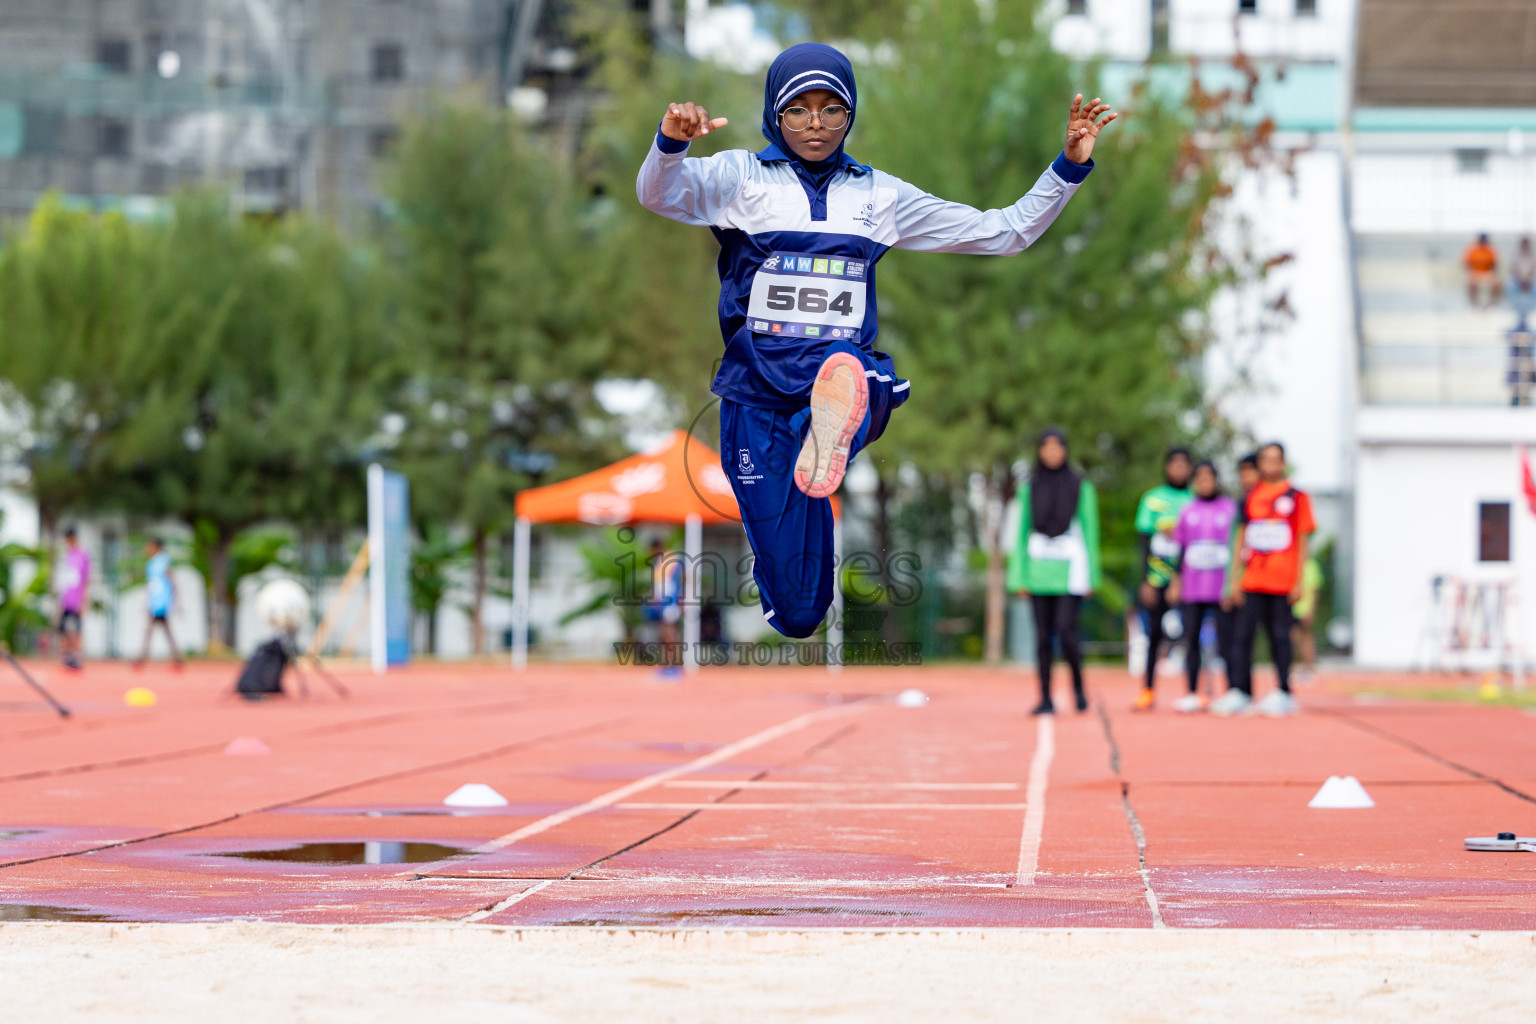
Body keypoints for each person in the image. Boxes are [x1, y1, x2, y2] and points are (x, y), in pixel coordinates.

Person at [636, 43, 1116, 639]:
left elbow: (1005, 231)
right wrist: (670, 144)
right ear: (775, 114)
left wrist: (1067, 167)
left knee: (862, 377)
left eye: (832, 109)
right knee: (801, 614)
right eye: (800, 110)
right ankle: (810, 473)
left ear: (851, 114)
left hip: (837, 376)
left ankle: (834, 423)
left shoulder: (878, 195)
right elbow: (657, 193)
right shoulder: (739, 177)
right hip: (754, 400)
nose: (817, 124)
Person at [1212, 442, 1314, 717]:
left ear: (1283, 463)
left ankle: (1283, 692)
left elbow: (1302, 539)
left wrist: (1298, 581)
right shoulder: (1250, 496)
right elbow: (1241, 538)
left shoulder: (1296, 497)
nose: (1269, 465)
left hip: (1282, 581)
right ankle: (1241, 692)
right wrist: (1234, 578)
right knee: (1242, 637)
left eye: (1275, 459)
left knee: (1280, 636)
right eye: (1265, 460)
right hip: (1253, 580)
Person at [1007, 428, 1101, 715]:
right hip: (1037, 573)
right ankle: (1046, 698)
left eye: (1057, 447)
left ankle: (1079, 691)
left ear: (1065, 450)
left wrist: (1092, 576)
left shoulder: (1080, 486)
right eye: (1045, 447)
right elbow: (1021, 531)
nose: (1051, 452)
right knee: (1043, 638)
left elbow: (1090, 531)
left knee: (1066, 631)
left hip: (1070, 573)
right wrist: (1018, 577)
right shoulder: (1028, 487)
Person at [1167, 462, 1237, 712]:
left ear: (1217, 480)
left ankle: (1232, 692)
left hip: (1221, 587)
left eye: (1209, 477)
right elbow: (1180, 549)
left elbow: (1236, 547)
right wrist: (1176, 581)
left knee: (1226, 640)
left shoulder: (1229, 509)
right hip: (1193, 586)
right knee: (1191, 639)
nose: (1205, 482)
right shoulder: (1187, 510)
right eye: (1200, 478)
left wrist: (1234, 584)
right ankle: (1192, 692)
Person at [1131, 447, 1193, 710]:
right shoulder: (1152, 499)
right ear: (1166, 467)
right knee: (1153, 634)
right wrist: (1146, 580)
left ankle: (1193, 691)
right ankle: (1148, 690)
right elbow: (1144, 541)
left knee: (1193, 633)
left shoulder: (1194, 500)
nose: (1178, 469)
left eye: (1183, 464)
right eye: (1174, 464)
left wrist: (1179, 579)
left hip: (1191, 580)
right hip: (1156, 579)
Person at [134, 537, 183, 670]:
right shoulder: (152, 562)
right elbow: (152, 585)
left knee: (152, 630)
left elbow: (172, 581)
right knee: (162, 630)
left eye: (149, 546)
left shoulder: (163, 561)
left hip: (162, 602)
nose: (147, 549)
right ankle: (177, 658)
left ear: (156, 546)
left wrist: (176, 601)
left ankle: (142, 658)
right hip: (155, 601)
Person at [644, 538, 684, 680]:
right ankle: (667, 666)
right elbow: (659, 584)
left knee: (670, 635)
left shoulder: (672, 558)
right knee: (664, 636)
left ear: (658, 547)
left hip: (671, 602)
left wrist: (681, 600)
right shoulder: (658, 562)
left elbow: (682, 578)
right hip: (662, 603)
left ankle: (676, 667)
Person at [55, 527, 90, 671]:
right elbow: (63, 579)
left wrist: (84, 600)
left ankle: (76, 656)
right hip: (66, 599)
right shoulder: (66, 555)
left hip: (77, 599)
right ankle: (66, 656)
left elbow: (86, 579)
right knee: (63, 628)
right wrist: (60, 599)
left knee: (77, 628)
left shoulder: (83, 555)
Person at [1290, 553, 1323, 681]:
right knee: (1293, 638)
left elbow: (1315, 589)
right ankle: (1297, 667)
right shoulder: (1293, 563)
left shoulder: (1311, 566)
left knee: (1306, 637)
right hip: (1293, 607)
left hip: (1304, 608)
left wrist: (1311, 610)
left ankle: (1308, 668)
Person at [1465, 233, 1502, 308]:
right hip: (1475, 273)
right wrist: (1472, 272)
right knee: (1471, 284)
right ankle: (1474, 304)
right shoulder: (1473, 250)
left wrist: (1490, 272)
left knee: (1497, 285)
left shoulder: (1490, 250)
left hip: (1487, 273)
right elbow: (1467, 264)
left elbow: (1494, 265)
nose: (1482, 242)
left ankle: (1492, 304)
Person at [1511, 236, 1535, 330]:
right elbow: (1513, 268)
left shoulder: (1533, 255)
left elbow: (1533, 269)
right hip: (1518, 279)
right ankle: (1515, 305)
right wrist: (1521, 278)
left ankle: (1532, 306)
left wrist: (1527, 278)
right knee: (1511, 285)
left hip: (1530, 279)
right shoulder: (1515, 255)